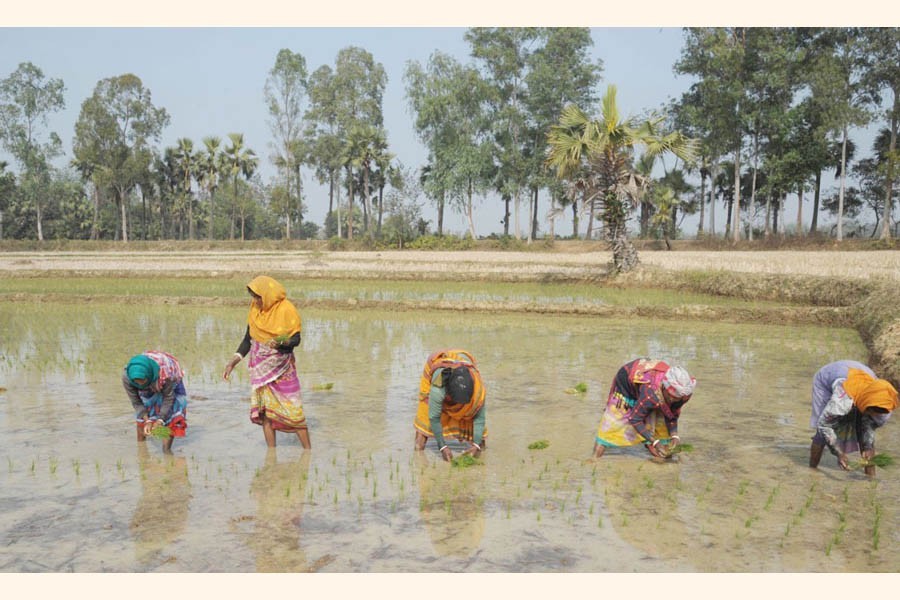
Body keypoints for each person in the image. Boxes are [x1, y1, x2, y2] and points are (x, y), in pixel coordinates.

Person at [223, 275, 310, 448]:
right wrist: (233, 361)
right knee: (266, 414)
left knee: (294, 412)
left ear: (268, 294)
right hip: (260, 371)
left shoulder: (286, 309)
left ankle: (308, 451)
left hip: (282, 369)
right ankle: (271, 454)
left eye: (258, 296)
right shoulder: (255, 310)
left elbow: (296, 339)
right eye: (253, 296)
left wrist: (282, 342)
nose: (255, 300)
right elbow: (248, 339)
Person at [592, 358, 695, 459]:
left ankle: (659, 454)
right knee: (612, 424)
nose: (673, 400)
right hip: (626, 382)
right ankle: (594, 459)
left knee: (662, 428)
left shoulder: (684, 394)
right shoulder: (650, 394)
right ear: (663, 387)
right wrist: (655, 442)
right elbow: (635, 419)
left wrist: (674, 436)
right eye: (671, 395)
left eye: (677, 398)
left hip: (648, 390)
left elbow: (672, 414)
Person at [809, 360, 897, 475]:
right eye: (870, 411)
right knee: (822, 433)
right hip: (828, 378)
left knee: (865, 438)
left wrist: (867, 446)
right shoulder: (842, 400)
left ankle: (870, 480)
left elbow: (868, 428)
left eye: (875, 414)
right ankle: (812, 471)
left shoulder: (884, 403)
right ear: (866, 404)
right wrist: (839, 453)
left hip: (862, 377)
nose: (872, 416)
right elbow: (824, 425)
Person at [414, 349, 486, 462]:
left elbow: (479, 419)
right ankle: (419, 459)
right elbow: (434, 417)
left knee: (480, 442)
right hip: (436, 373)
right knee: (424, 426)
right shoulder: (439, 386)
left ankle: (476, 447)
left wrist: (476, 445)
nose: (459, 407)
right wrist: (442, 447)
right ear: (448, 394)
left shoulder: (478, 388)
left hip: (461, 373)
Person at [123, 351, 188, 453]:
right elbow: (136, 402)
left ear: (149, 376)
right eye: (137, 383)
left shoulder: (165, 375)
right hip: (150, 378)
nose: (141, 385)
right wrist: (147, 420)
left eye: (143, 382)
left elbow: (168, 398)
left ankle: (166, 451)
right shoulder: (128, 377)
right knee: (142, 417)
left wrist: (160, 420)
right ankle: (142, 450)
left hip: (167, 380)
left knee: (170, 416)